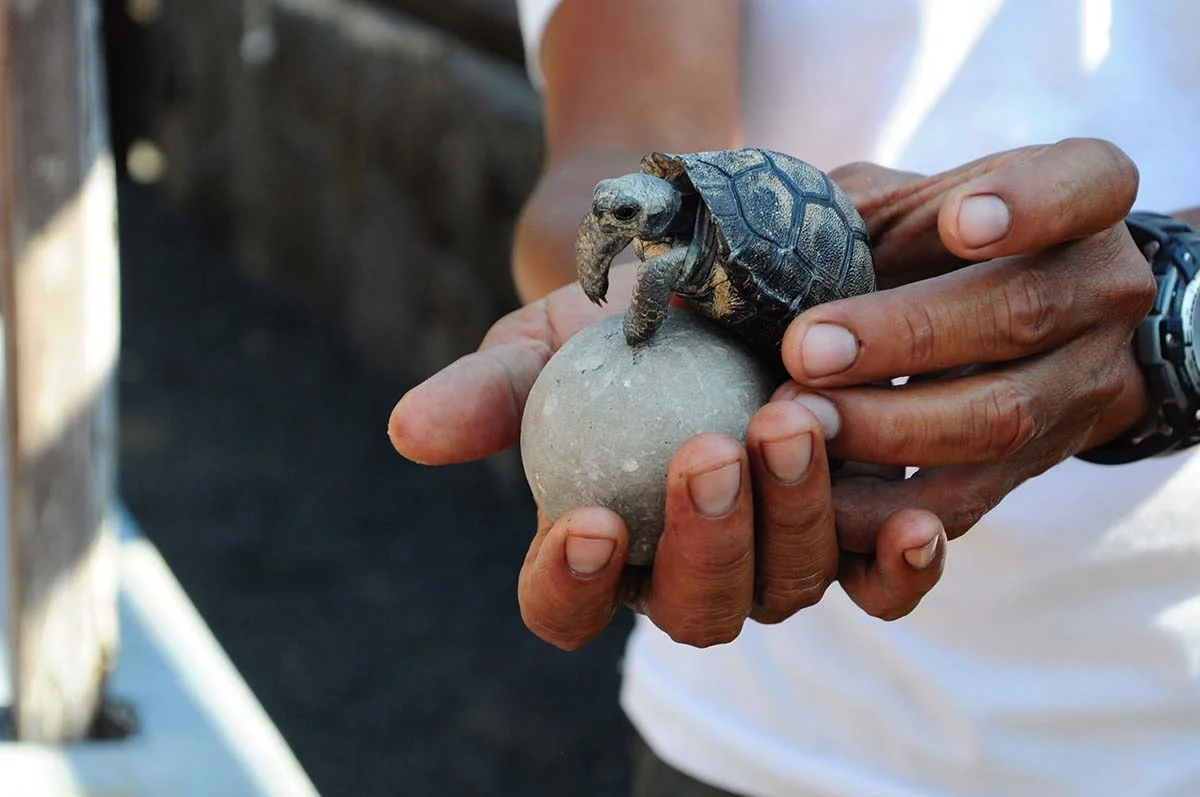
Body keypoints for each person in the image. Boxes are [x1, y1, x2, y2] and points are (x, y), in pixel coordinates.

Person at [390, 1, 1200, 794]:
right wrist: (596, 283)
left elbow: (662, 273)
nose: (619, 221)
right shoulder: (659, 214)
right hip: (747, 721)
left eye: (630, 216)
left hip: (1154, 715)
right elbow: (604, 161)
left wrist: (1169, 316)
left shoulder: (679, 262)